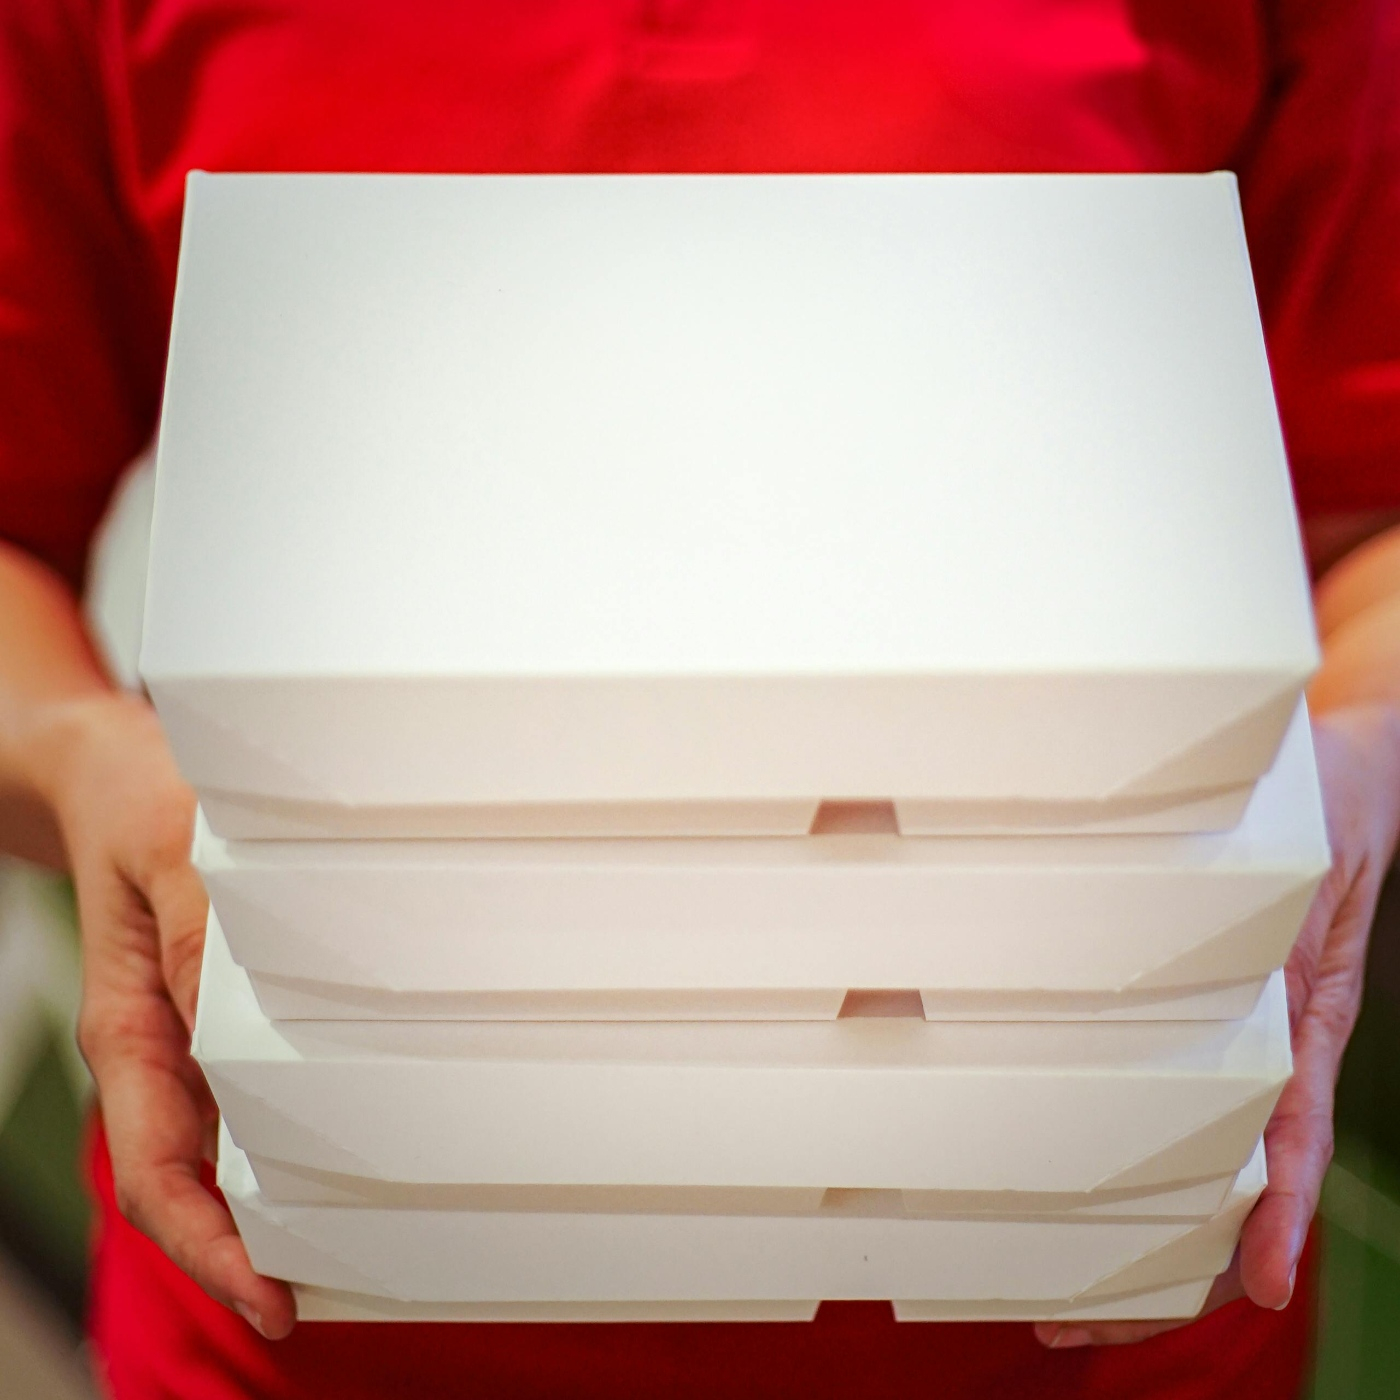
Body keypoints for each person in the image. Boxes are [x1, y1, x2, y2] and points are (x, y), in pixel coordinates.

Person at [1, 3, 1398, 1397]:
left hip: (1083, 1276)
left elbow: (1373, 513)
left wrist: (1346, 773)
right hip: (323, 1293)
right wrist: (80, 757)